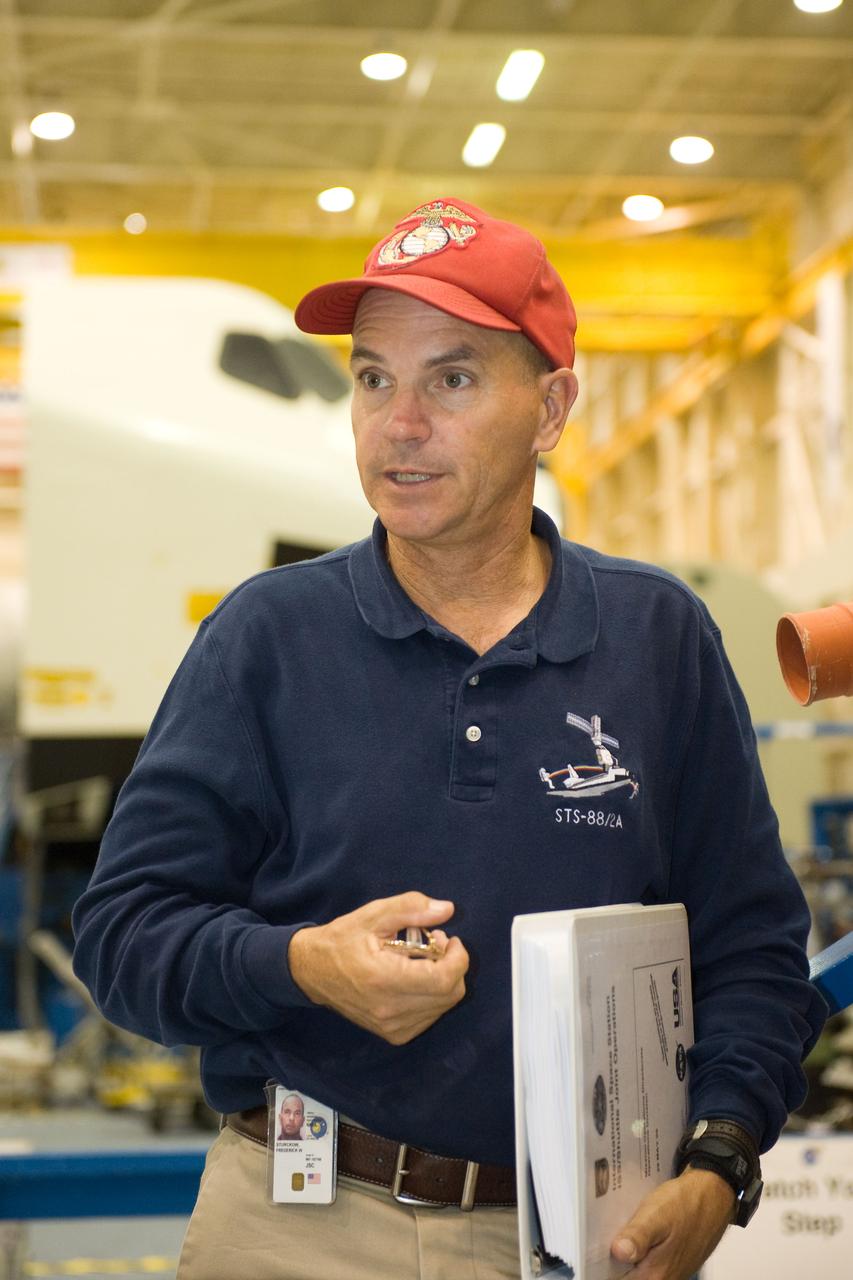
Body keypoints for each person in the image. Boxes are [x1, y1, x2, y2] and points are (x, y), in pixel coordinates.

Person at [72, 197, 827, 1280]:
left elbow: (751, 947)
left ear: (552, 406)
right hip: (294, 1223)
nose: (399, 422)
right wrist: (301, 964)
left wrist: (718, 1157)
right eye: (373, 376)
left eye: (452, 378)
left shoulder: (655, 637)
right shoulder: (265, 636)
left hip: (580, 1235)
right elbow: (122, 936)